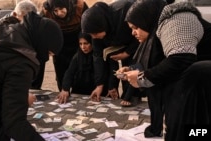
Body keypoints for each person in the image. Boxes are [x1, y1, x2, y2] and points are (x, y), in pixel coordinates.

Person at [0, 2, 63, 141]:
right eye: (49, 54)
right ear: (42, 44)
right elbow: (14, 123)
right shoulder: (23, 61)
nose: (47, 58)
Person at [118, 0, 211, 141]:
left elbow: (181, 59)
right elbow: (158, 61)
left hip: (201, 86)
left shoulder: (179, 19)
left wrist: (142, 78)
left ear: (146, 19)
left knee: (191, 129)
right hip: (190, 88)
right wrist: (132, 70)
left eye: (136, 27)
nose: (133, 33)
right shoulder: (157, 28)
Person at [81, 0, 140, 102]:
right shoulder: (95, 33)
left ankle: (132, 97)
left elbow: (140, 35)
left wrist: (127, 53)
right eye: (91, 35)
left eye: (95, 33)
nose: (94, 37)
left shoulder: (124, 11)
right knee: (122, 74)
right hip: (119, 46)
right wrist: (99, 85)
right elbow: (98, 58)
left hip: (135, 44)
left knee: (132, 71)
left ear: (102, 25)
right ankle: (127, 96)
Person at [39, 0, 88, 91]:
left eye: (62, 9)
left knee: (78, 74)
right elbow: (40, 30)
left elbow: (87, 26)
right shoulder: (47, 11)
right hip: (59, 47)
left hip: (77, 45)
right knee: (61, 74)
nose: (59, 13)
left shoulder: (80, 7)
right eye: (56, 11)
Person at [57, 32, 106, 104]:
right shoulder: (77, 56)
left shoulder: (99, 56)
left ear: (92, 43)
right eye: (80, 44)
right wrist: (65, 89)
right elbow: (70, 72)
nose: (83, 47)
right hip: (80, 90)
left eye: (86, 43)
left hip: (96, 92)